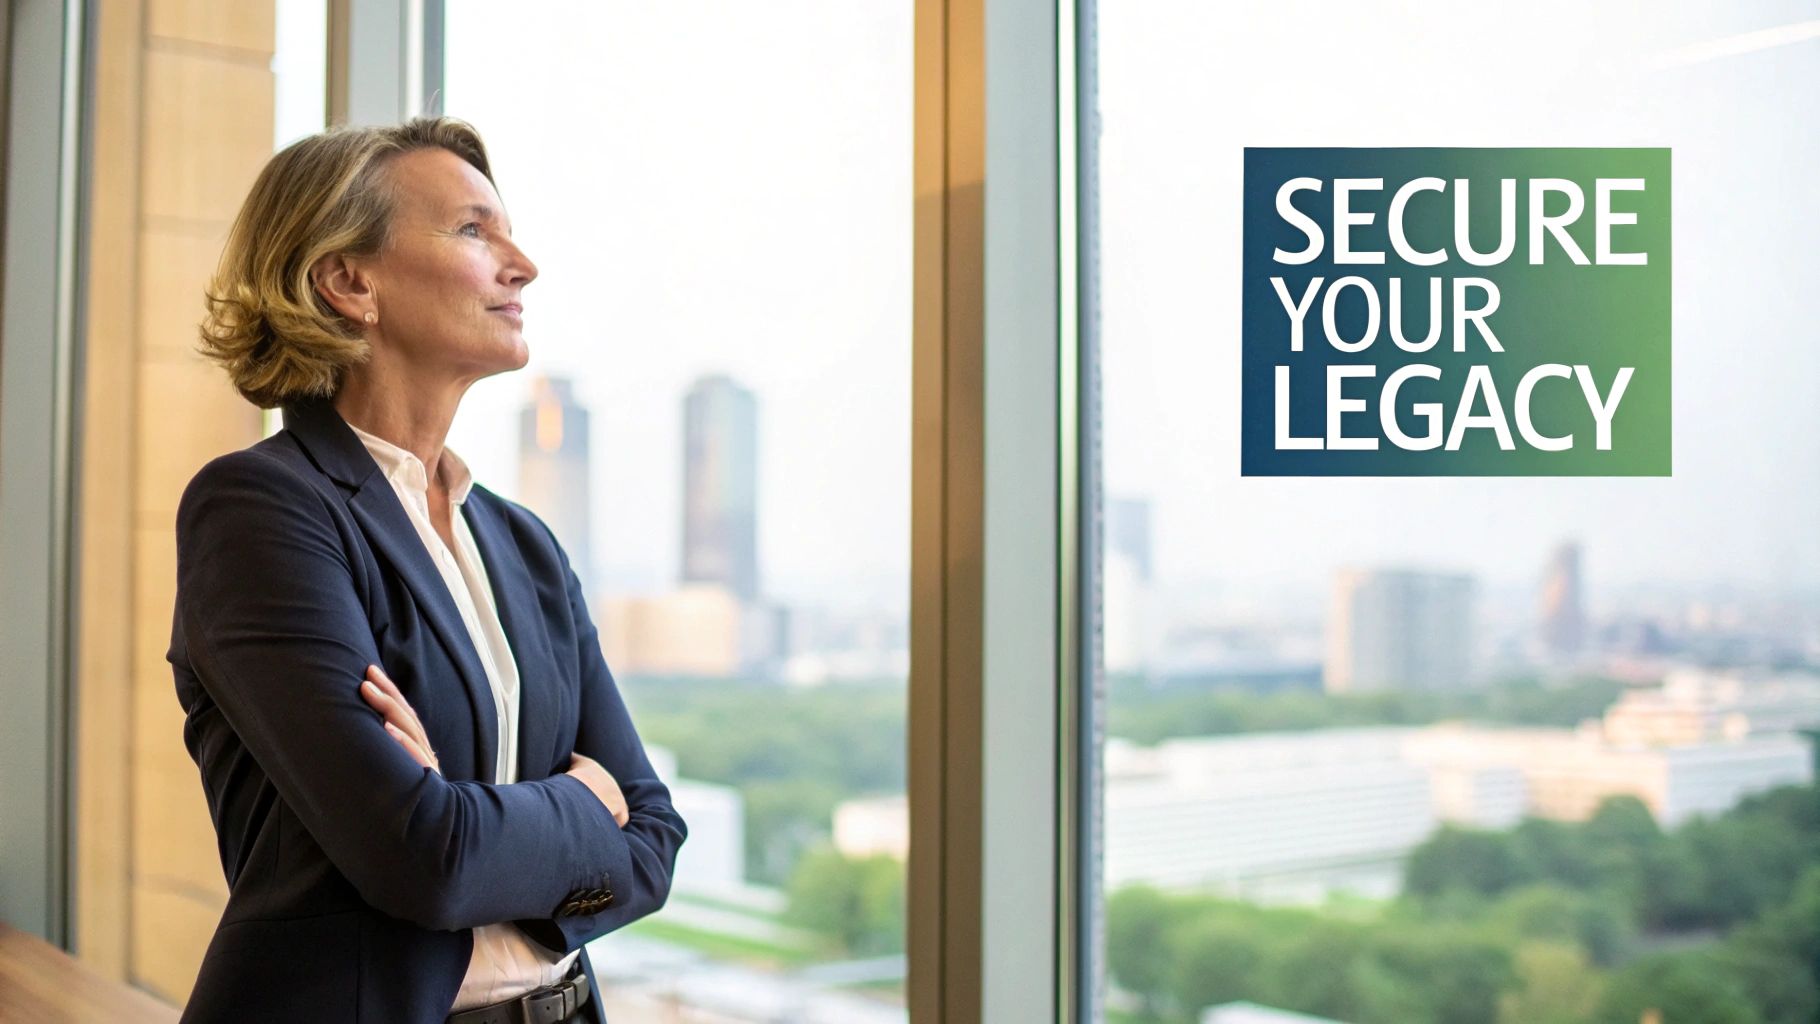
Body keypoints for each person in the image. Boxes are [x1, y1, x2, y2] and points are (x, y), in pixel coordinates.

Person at [168, 116, 685, 1023]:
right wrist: (579, 803)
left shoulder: (524, 544)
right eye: (474, 230)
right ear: (349, 280)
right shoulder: (260, 511)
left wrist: (470, 810)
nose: (521, 264)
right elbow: (422, 855)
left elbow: (653, 839)